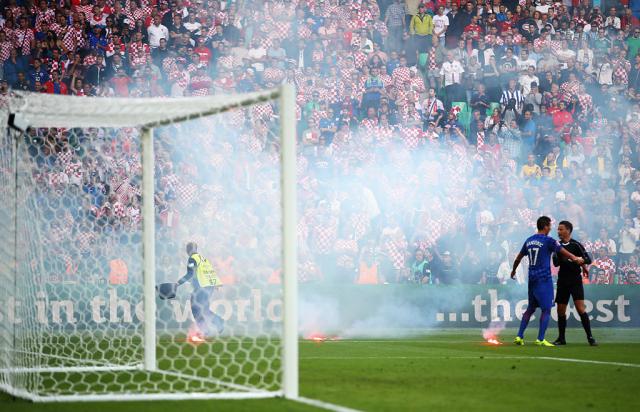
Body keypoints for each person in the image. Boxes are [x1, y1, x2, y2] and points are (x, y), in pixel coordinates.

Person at [510, 216, 585, 346]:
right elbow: (564, 252)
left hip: (532, 279)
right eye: (550, 225)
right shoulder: (549, 241)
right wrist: (576, 258)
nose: (551, 228)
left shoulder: (529, 240)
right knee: (546, 310)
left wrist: (513, 270)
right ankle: (540, 339)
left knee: (530, 308)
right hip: (544, 280)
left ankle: (519, 336)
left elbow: (518, 258)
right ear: (545, 226)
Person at [552, 221, 597, 346]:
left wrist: (582, 261)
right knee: (560, 310)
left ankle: (590, 337)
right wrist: (565, 258)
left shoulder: (576, 245)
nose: (558, 232)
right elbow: (555, 263)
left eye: (561, 229)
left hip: (575, 280)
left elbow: (588, 259)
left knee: (580, 308)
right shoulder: (557, 246)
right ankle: (561, 338)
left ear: (568, 230)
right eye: (558, 229)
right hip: (562, 281)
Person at [176, 241, 224, 338]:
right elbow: (209, 272)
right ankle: (217, 323)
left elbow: (190, 274)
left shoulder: (192, 259)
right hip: (208, 287)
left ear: (187, 250)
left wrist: (178, 283)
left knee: (196, 309)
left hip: (201, 288)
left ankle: (206, 329)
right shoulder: (203, 259)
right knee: (204, 309)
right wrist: (215, 284)